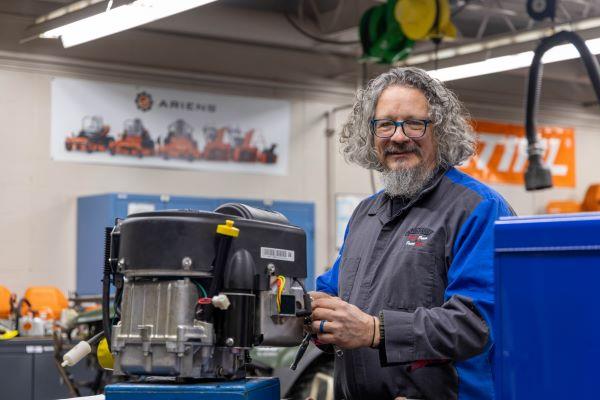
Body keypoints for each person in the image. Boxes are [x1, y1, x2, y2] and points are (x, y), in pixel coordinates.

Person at [311, 67, 514, 400]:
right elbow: (333, 293)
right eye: (386, 124)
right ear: (371, 134)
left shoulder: (477, 208)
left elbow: (476, 323)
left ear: (440, 131)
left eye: (414, 123)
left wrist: (375, 330)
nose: (398, 136)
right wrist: (312, 314)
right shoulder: (366, 214)